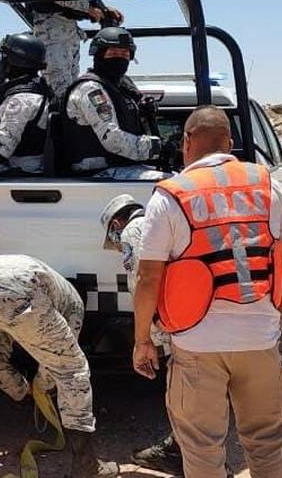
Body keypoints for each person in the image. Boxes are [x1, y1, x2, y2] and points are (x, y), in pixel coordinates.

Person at [132, 105, 282, 478]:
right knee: (265, 445)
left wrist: (142, 341)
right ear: (229, 143)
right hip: (259, 339)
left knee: (202, 450)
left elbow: (149, 277)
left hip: (197, 343)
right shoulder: (267, 184)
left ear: (186, 142)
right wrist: (277, 309)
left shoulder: (170, 196)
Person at [0, 254, 118, 477]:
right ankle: (86, 466)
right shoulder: (74, 305)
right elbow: (56, 363)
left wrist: (20, 390)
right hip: (20, 289)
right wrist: (41, 388)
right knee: (72, 369)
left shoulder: (53, 284)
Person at [101, 195, 185, 476]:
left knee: (181, 387)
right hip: (192, 312)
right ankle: (182, 447)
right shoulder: (158, 222)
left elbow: (142, 281)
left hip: (170, 320)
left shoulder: (132, 231)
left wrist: (147, 334)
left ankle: (184, 454)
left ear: (116, 222)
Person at [60, 27, 165, 178]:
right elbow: (112, 139)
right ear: (99, 55)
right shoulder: (90, 89)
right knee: (174, 185)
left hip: (120, 168)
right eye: (113, 53)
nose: (119, 58)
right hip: (97, 174)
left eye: (124, 54)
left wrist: (142, 115)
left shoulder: (120, 88)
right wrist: (156, 147)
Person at [0, 32, 53, 176]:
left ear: (16, 60)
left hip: (20, 172)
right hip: (28, 169)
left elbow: (2, 150)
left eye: (6, 57)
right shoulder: (40, 90)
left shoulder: (21, 99)